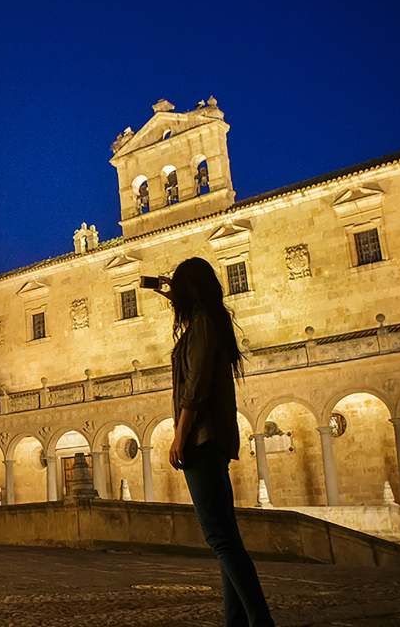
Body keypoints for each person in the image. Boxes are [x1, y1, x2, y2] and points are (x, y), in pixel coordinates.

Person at [156, 257, 274, 626]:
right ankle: (238, 622)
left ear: (189, 292)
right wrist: (167, 288)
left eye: (179, 291)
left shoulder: (203, 326)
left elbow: (195, 387)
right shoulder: (209, 322)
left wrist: (180, 434)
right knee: (226, 538)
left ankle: (260, 619)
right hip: (211, 438)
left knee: (220, 538)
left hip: (202, 440)